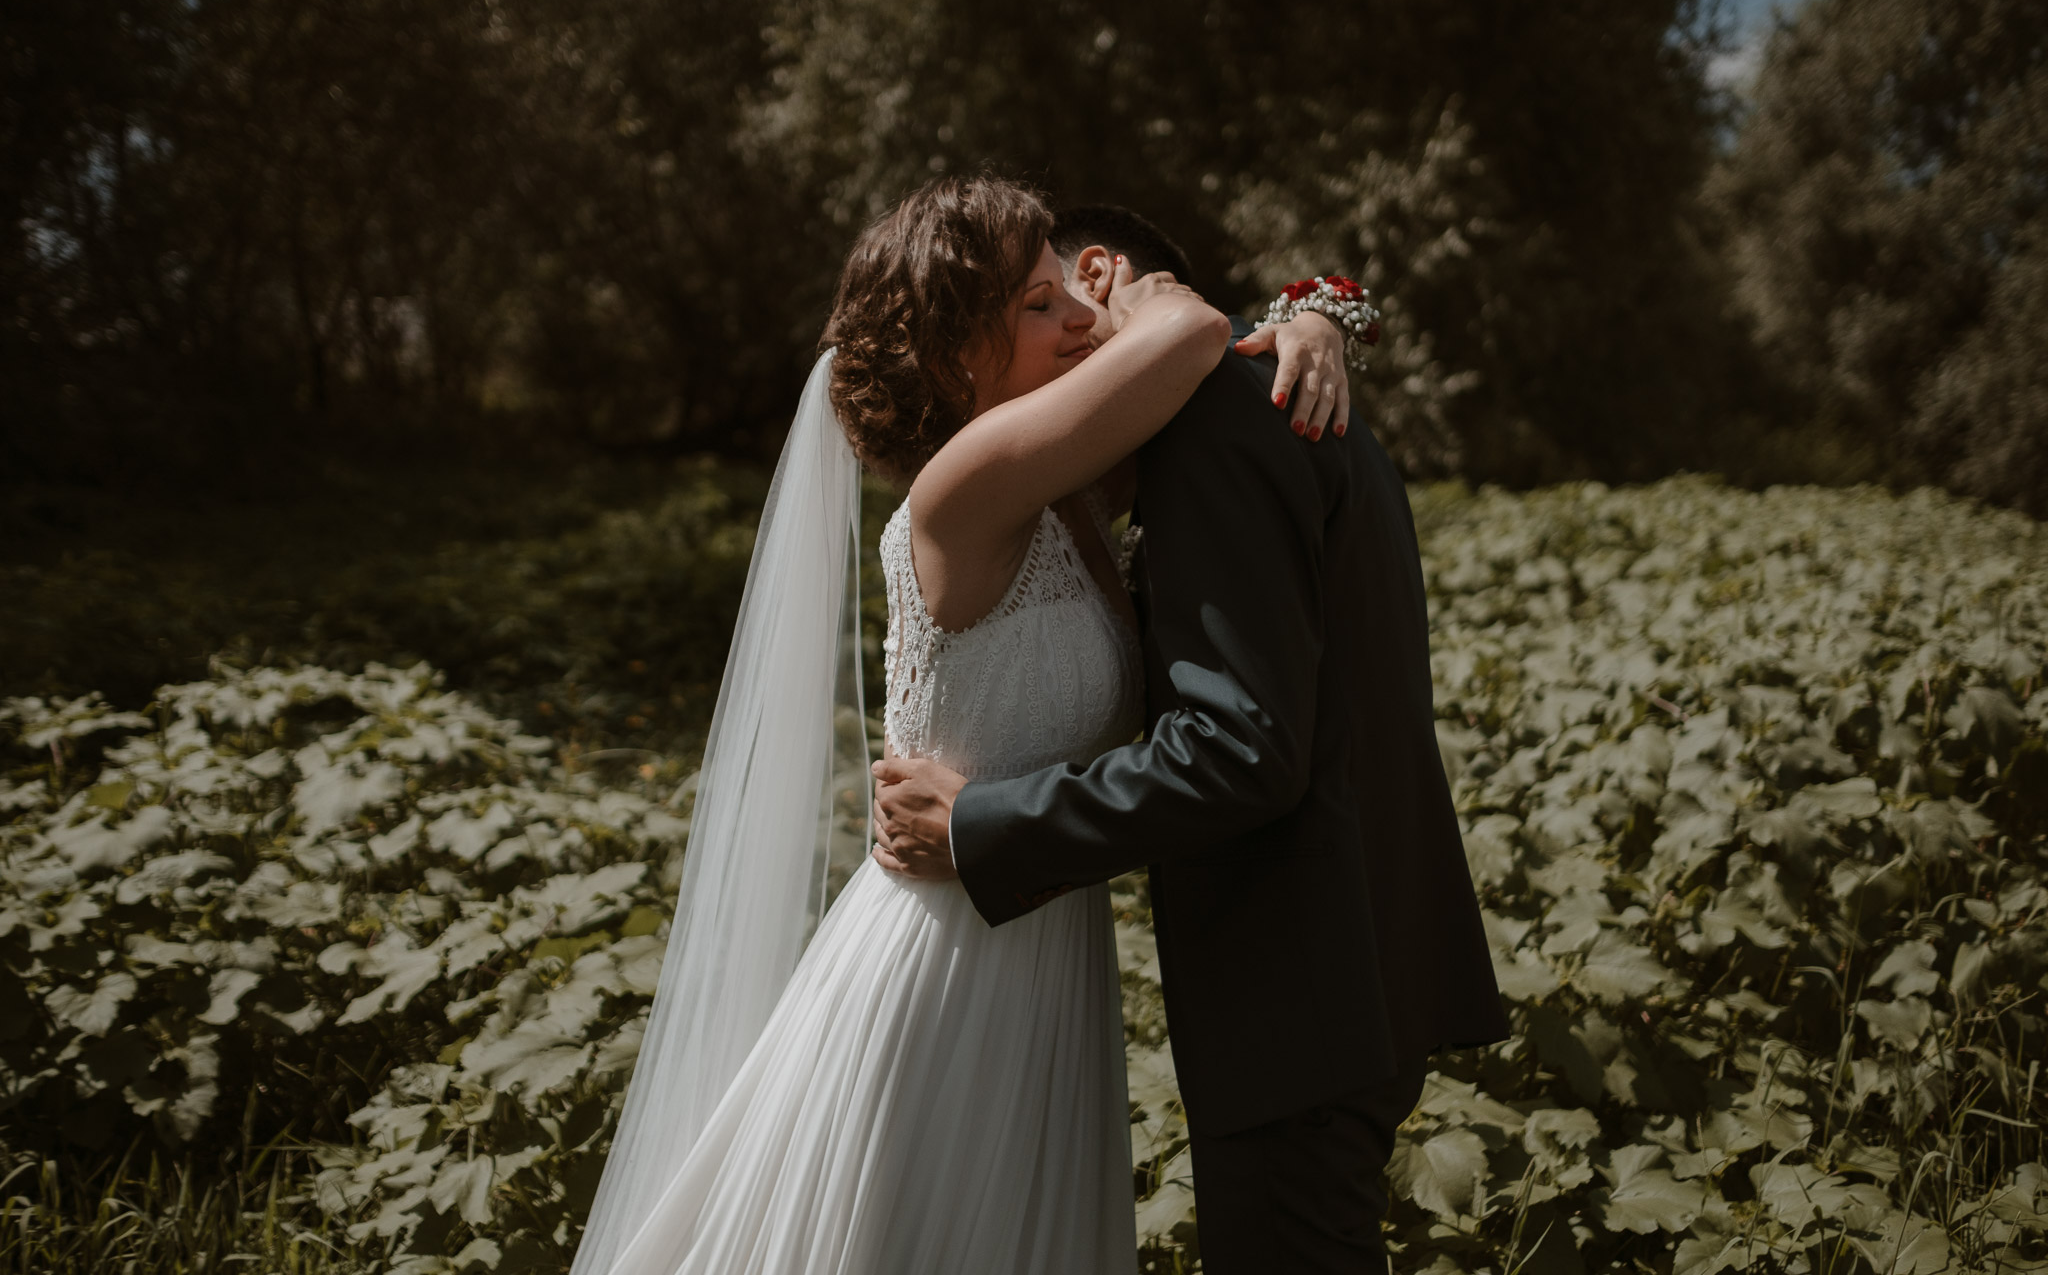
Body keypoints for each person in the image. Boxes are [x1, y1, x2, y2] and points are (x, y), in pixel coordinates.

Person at [567, 174, 1351, 1275]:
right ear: (953, 356)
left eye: (1071, 293)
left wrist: (1317, 314)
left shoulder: (1062, 495)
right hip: (942, 962)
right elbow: (1178, 334)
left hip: (1033, 934)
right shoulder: (963, 486)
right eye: (1039, 302)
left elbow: (1196, 388)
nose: (1080, 314)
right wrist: (1172, 300)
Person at [869, 206, 1513, 1271]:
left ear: (1103, 275)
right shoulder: (1279, 407)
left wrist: (982, 822)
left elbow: (1236, 748)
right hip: (1344, 966)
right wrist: (1314, 309)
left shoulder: (1217, 426)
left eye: (1055, 298)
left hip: (1295, 990)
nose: (1066, 339)